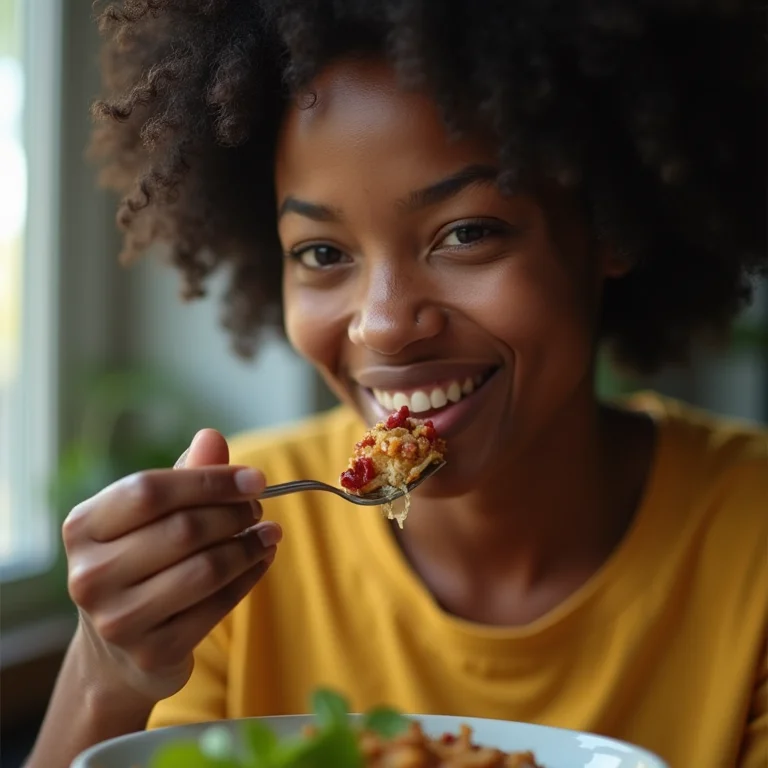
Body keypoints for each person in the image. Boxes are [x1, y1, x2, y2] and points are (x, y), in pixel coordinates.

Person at [26, 2, 766, 767]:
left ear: (609, 225)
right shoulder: (235, 553)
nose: (382, 325)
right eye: (320, 252)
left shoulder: (752, 537)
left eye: (467, 233)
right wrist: (105, 677)